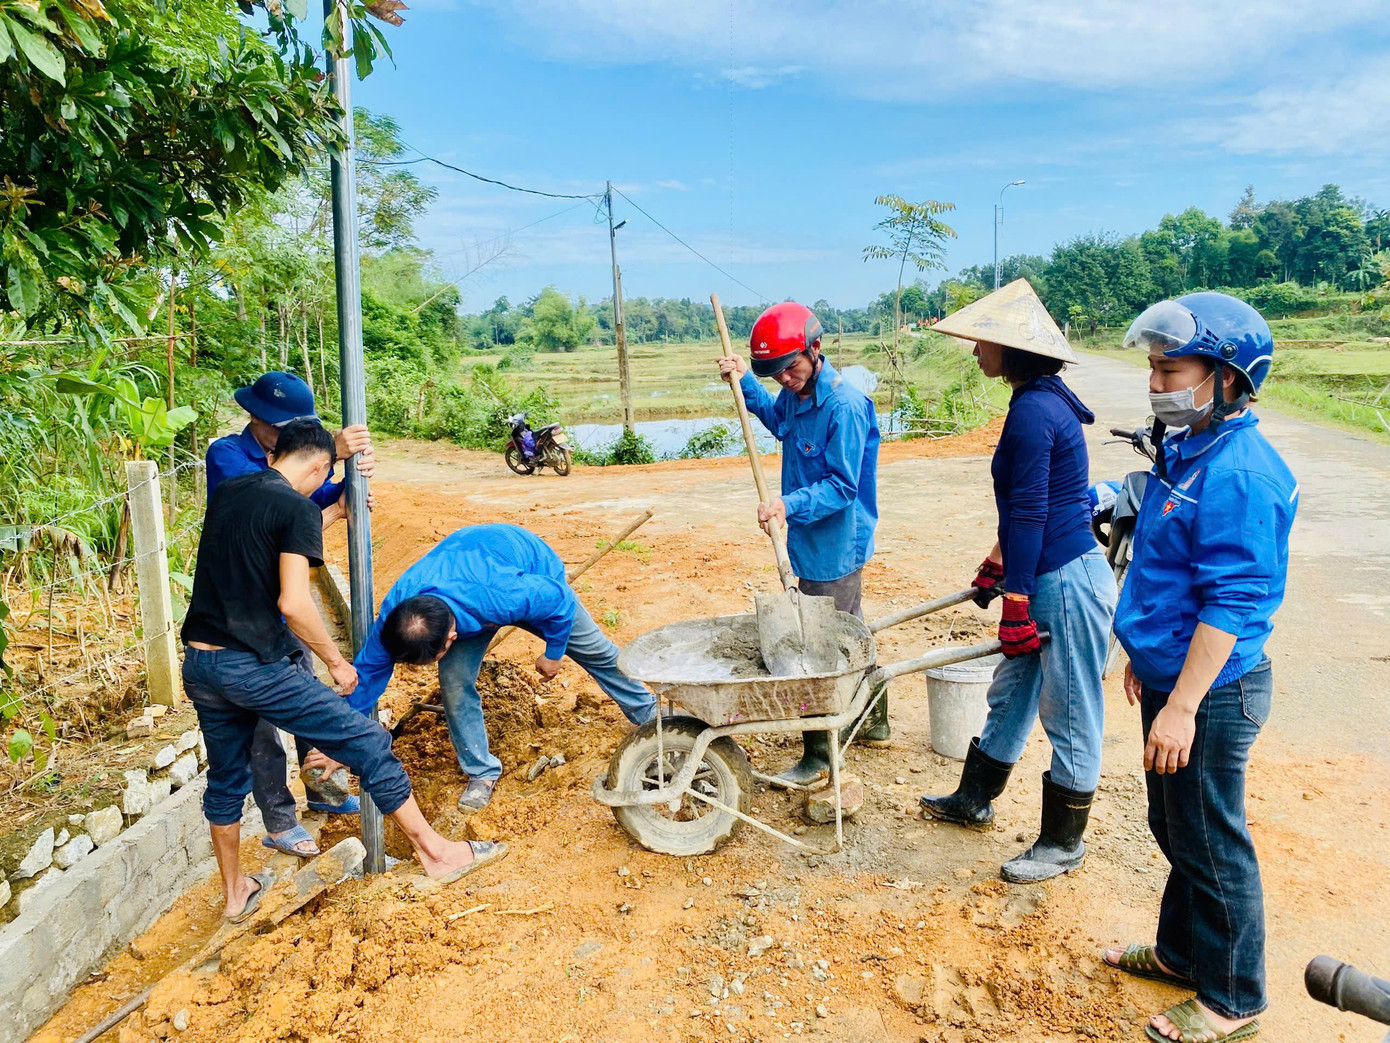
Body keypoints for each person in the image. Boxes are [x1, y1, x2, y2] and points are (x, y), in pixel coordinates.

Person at [182, 421, 503, 921]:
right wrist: (336, 662)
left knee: (226, 780)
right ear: (320, 466)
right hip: (253, 665)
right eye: (324, 478)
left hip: (202, 665)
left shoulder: (234, 490)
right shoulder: (295, 508)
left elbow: (269, 533)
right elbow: (293, 601)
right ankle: (438, 854)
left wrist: (333, 511)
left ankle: (235, 892)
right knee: (369, 742)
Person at [1103, 293, 1296, 1043]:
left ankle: (1234, 999)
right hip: (1172, 676)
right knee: (1174, 822)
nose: (1156, 383)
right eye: (1152, 368)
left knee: (1212, 837)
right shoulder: (1187, 447)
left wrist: (1181, 701)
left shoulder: (1241, 472)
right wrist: (1143, 658)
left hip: (1212, 692)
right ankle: (1183, 952)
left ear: (1226, 376)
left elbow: (1229, 603)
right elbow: (1161, 565)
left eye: (1170, 368)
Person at [918, 279, 1118, 883]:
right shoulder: (1039, 398)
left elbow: (1033, 512)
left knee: (1071, 709)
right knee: (1011, 693)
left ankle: (1063, 844)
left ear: (1014, 349)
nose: (975, 350)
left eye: (983, 341)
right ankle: (973, 798)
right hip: (1041, 570)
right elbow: (1029, 507)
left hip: (1066, 583)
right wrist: (996, 561)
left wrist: (1016, 600)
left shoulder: (1036, 410)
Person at [348, 524, 658, 812]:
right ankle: (481, 772)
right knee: (454, 684)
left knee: (599, 653)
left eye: (439, 653)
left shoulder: (507, 593)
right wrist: (342, 736)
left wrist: (553, 653)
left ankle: (648, 712)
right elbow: (368, 674)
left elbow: (559, 601)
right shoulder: (399, 616)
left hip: (532, 573)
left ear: (452, 637)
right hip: (468, 580)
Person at [203, 371, 376, 859]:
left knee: (303, 695)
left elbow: (312, 502)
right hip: (242, 615)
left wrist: (343, 489)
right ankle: (280, 819)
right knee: (260, 723)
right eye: (281, 426)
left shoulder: (295, 462)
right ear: (255, 417)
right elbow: (267, 512)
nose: (286, 435)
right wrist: (329, 455)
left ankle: (323, 788)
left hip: (281, 610)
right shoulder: (227, 456)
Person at [717, 301, 881, 786]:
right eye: (776, 373)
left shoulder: (845, 406)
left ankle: (821, 757)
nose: (785, 379)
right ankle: (873, 720)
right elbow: (778, 421)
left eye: (791, 367)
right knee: (850, 627)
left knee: (822, 641)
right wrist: (746, 380)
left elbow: (842, 486)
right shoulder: (794, 393)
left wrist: (787, 505)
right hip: (808, 536)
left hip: (835, 542)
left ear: (815, 349)